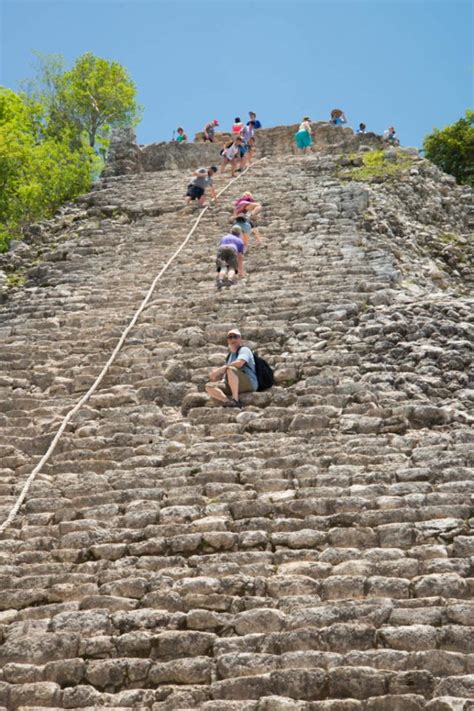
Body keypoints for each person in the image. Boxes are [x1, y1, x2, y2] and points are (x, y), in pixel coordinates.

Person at [205, 328, 258, 409]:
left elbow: (240, 363)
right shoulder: (230, 356)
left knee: (230, 369)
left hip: (249, 382)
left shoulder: (244, 350)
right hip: (234, 383)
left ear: (240, 339)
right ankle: (228, 401)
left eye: (235, 337)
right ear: (228, 340)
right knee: (209, 386)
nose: (233, 339)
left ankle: (235, 400)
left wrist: (220, 369)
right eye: (230, 337)